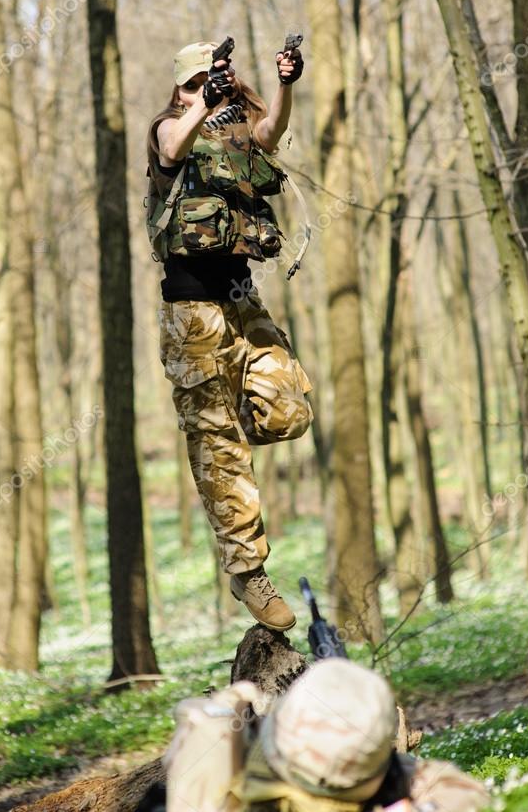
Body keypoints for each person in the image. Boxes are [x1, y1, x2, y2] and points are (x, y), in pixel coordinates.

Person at [145, 38, 313, 632]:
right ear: (187, 82)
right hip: (192, 310)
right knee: (219, 444)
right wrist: (198, 106)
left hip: (242, 297)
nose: (222, 79)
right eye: (210, 74)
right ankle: (249, 570)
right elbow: (172, 146)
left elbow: (267, 137)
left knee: (289, 407)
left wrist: (286, 81)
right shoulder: (171, 126)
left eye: (224, 71)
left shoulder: (237, 125)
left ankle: (217, 437)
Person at [164, 659, 490, 812]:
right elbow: (468, 795)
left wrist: (231, 705)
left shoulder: (216, 786)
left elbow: (202, 724)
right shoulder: (413, 789)